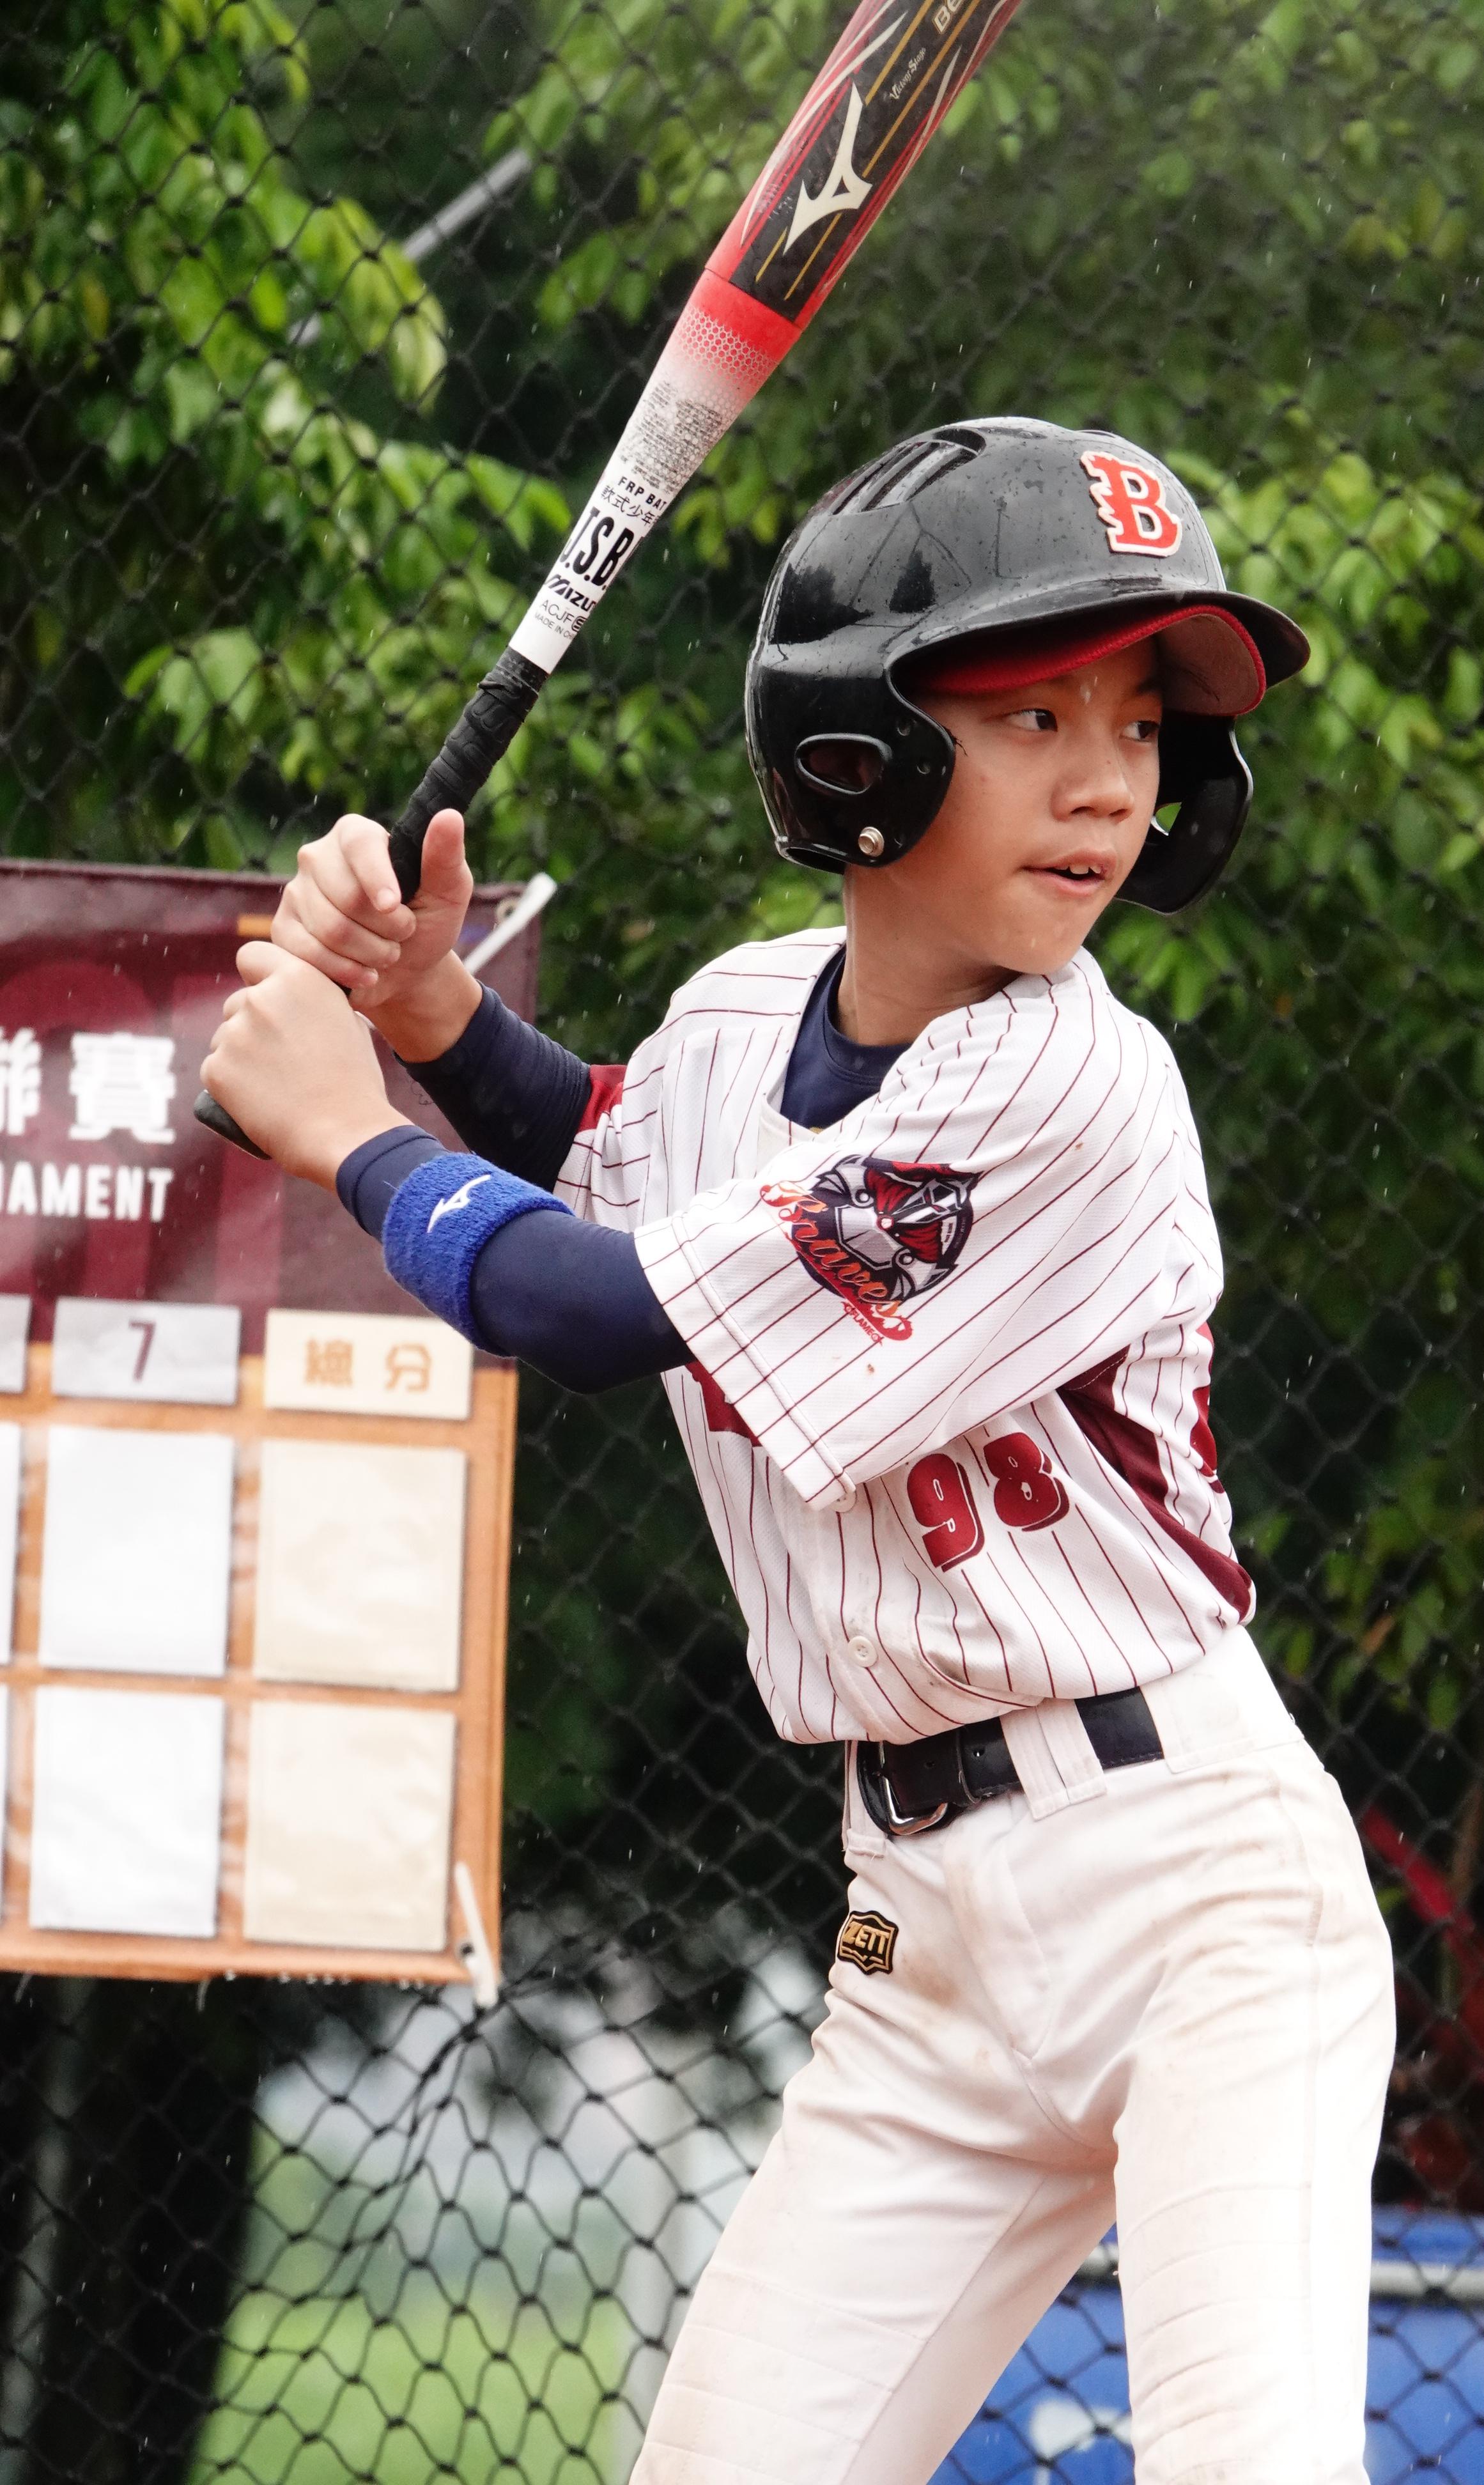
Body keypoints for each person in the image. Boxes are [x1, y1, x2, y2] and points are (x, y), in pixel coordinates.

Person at [204, 417, 1395, 2485]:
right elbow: (612, 1152)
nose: (1109, 781)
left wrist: (352, 1135)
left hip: (1195, 1896)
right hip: (920, 1932)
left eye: (1141, 726)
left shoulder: (1074, 1084)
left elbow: (596, 1308)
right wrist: (426, 1014)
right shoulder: (757, 1009)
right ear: (858, 753)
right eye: (1036, 715)